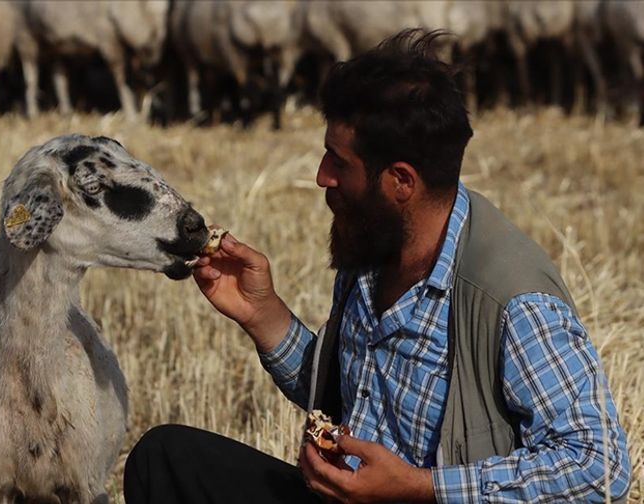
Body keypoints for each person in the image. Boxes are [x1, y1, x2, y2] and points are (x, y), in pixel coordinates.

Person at [123, 30, 631, 503]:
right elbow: (354, 393)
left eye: (338, 162)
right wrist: (264, 315)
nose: (322, 177)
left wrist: (421, 488)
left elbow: (599, 464)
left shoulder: (512, 298)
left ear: (401, 182)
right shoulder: (373, 243)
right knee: (165, 458)